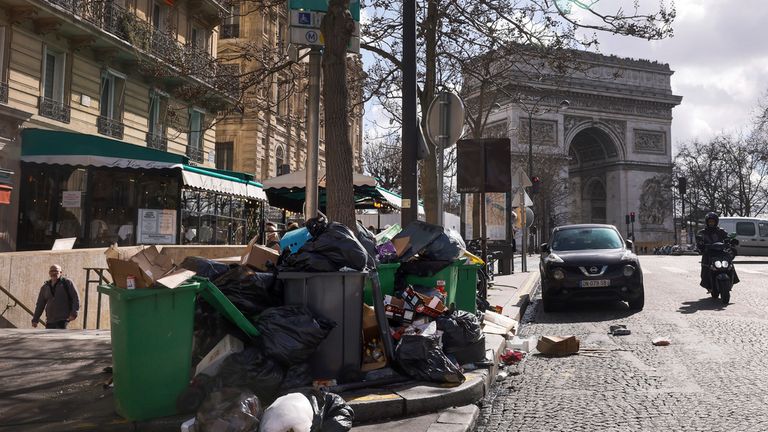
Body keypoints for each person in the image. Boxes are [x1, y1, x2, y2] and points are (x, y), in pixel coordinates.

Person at [696, 212, 739, 292]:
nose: (711, 223)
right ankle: (707, 284)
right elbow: (699, 240)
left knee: (730, 264)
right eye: (710, 222)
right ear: (707, 222)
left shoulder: (721, 231)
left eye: (713, 221)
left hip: (721, 252)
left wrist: (731, 241)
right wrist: (700, 244)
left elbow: (727, 237)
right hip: (709, 253)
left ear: (716, 222)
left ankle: (732, 279)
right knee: (705, 266)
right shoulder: (703, 232)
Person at [31, 265, 80, 329]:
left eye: (56, 271)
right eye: (52, 271)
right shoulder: (45, 287)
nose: (54, 273)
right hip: (50, 320)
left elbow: (75, 298)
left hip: (63, 319)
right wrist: (35, 319)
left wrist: (74, 313)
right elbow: (40, 304)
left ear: (61, 272)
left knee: (61, 338)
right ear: (49, 273)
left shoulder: (67, 283)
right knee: (49, 338)